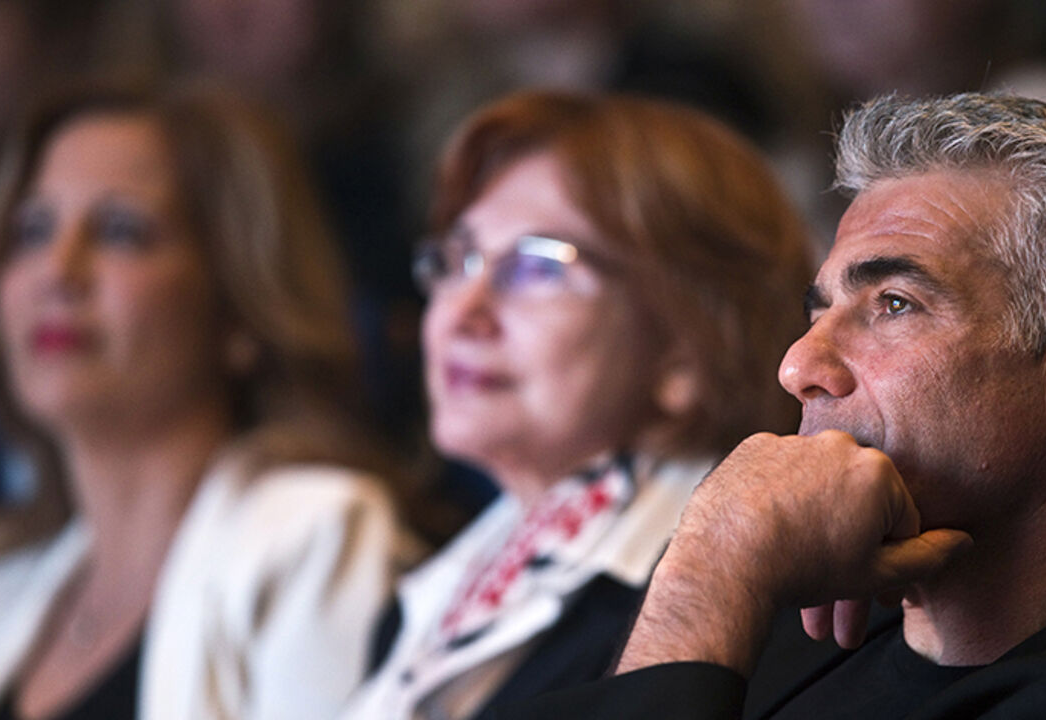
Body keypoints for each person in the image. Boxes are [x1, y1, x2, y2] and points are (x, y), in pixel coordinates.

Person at [486, 93, 1046, 719]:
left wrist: (713, 573)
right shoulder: (814, 614)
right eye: (818, 312)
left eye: (893, 304)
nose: (799, 366)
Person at [343, 89, 814, 720]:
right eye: (456, 261)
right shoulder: (433, 594)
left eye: (536, 267)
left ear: (686, 345)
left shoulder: (739, 611)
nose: (462, 312)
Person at [0, 81, 427, 720]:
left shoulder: (312, 539)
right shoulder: (2, 591)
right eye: (32, 230)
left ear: (238, 309)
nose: (58, 270)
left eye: (119, 231)